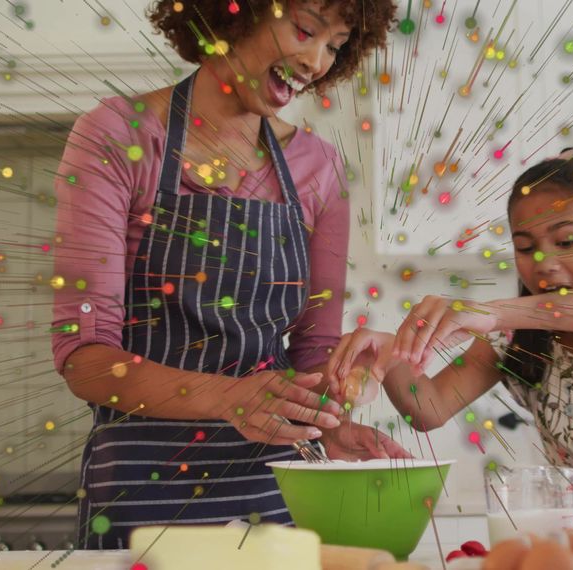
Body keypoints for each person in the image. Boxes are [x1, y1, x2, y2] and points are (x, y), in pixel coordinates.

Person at [51, 0, 404, 549]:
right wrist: (227, 398)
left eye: (334, 46)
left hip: (276, 489)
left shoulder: (319, 169)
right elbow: (86, 362)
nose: (315, 61)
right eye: (306, 29)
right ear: (235, 13)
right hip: (142, 493)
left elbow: (315, 348)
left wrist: (332, 427)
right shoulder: (118, 136)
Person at [328, 148, 573, 530]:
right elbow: (428, 408)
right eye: (525, 247)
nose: (543, 263)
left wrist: (494, 312)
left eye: (565, 241)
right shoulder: (519, 340)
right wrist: (389, 352)